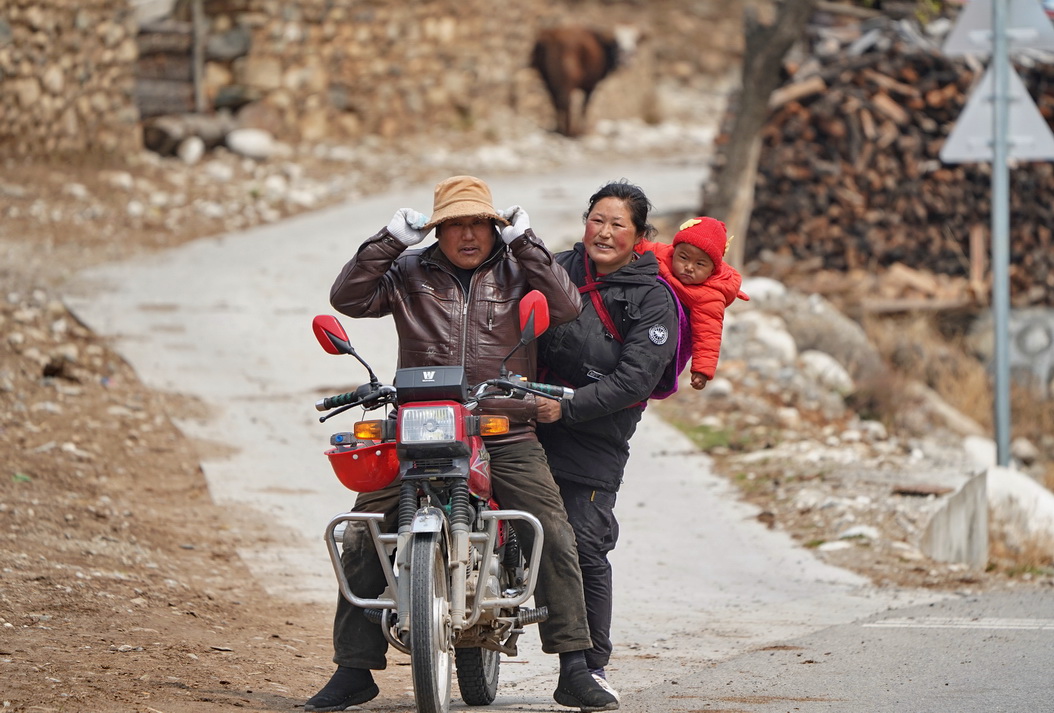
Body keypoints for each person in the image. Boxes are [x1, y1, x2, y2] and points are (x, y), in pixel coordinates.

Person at [306, 175, 619, 712]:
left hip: (504, 427)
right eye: (455, 225)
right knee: (363, 534)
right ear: (437, 230)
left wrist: (527, 242)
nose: (468, 235)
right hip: (421, 422)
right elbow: (348, 297)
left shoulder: (520, 266)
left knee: (552, 531)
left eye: (480, 223)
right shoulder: (409, 270)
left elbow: (566, 308)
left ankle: (573, 666)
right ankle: (353, 669)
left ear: (495, 226)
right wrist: (389, 240)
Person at [534, 179, 680, 699]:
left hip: (594, 437)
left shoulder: (652, 298)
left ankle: (588, 667)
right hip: (526, 418)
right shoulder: (556, 270)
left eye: (618, 224)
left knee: (583, 542)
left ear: (639, 236)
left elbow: (635, 380)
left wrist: (569, 406)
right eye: (597, 219)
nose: (604, 231)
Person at [635, 216, 748, 390]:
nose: (689, 267)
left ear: (712, 270)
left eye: (700, 264)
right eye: (684, 258)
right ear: (674, 251)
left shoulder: (710, 296)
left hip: (670, 338)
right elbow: (638, 245)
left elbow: (709, 335)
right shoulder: (662, 254)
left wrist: (702, 371)